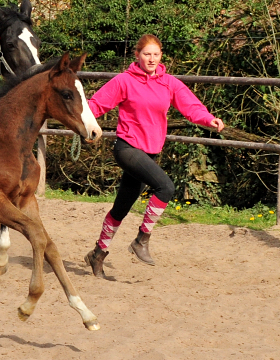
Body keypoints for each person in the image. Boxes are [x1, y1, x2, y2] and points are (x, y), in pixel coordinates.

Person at [84, 34, 224, 278]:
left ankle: (98, 253)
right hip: (127, 148)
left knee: (122, 207)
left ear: (161, 57)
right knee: (166, 187)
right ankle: (141, 240)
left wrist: (208, 119)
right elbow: (96, 104)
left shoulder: (169, 83)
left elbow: (190, 106)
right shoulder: (124, 81)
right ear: (137, 55)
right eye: (146, 54)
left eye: (155, 55)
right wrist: (84, 125)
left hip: (149, 152)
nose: (151, 59)